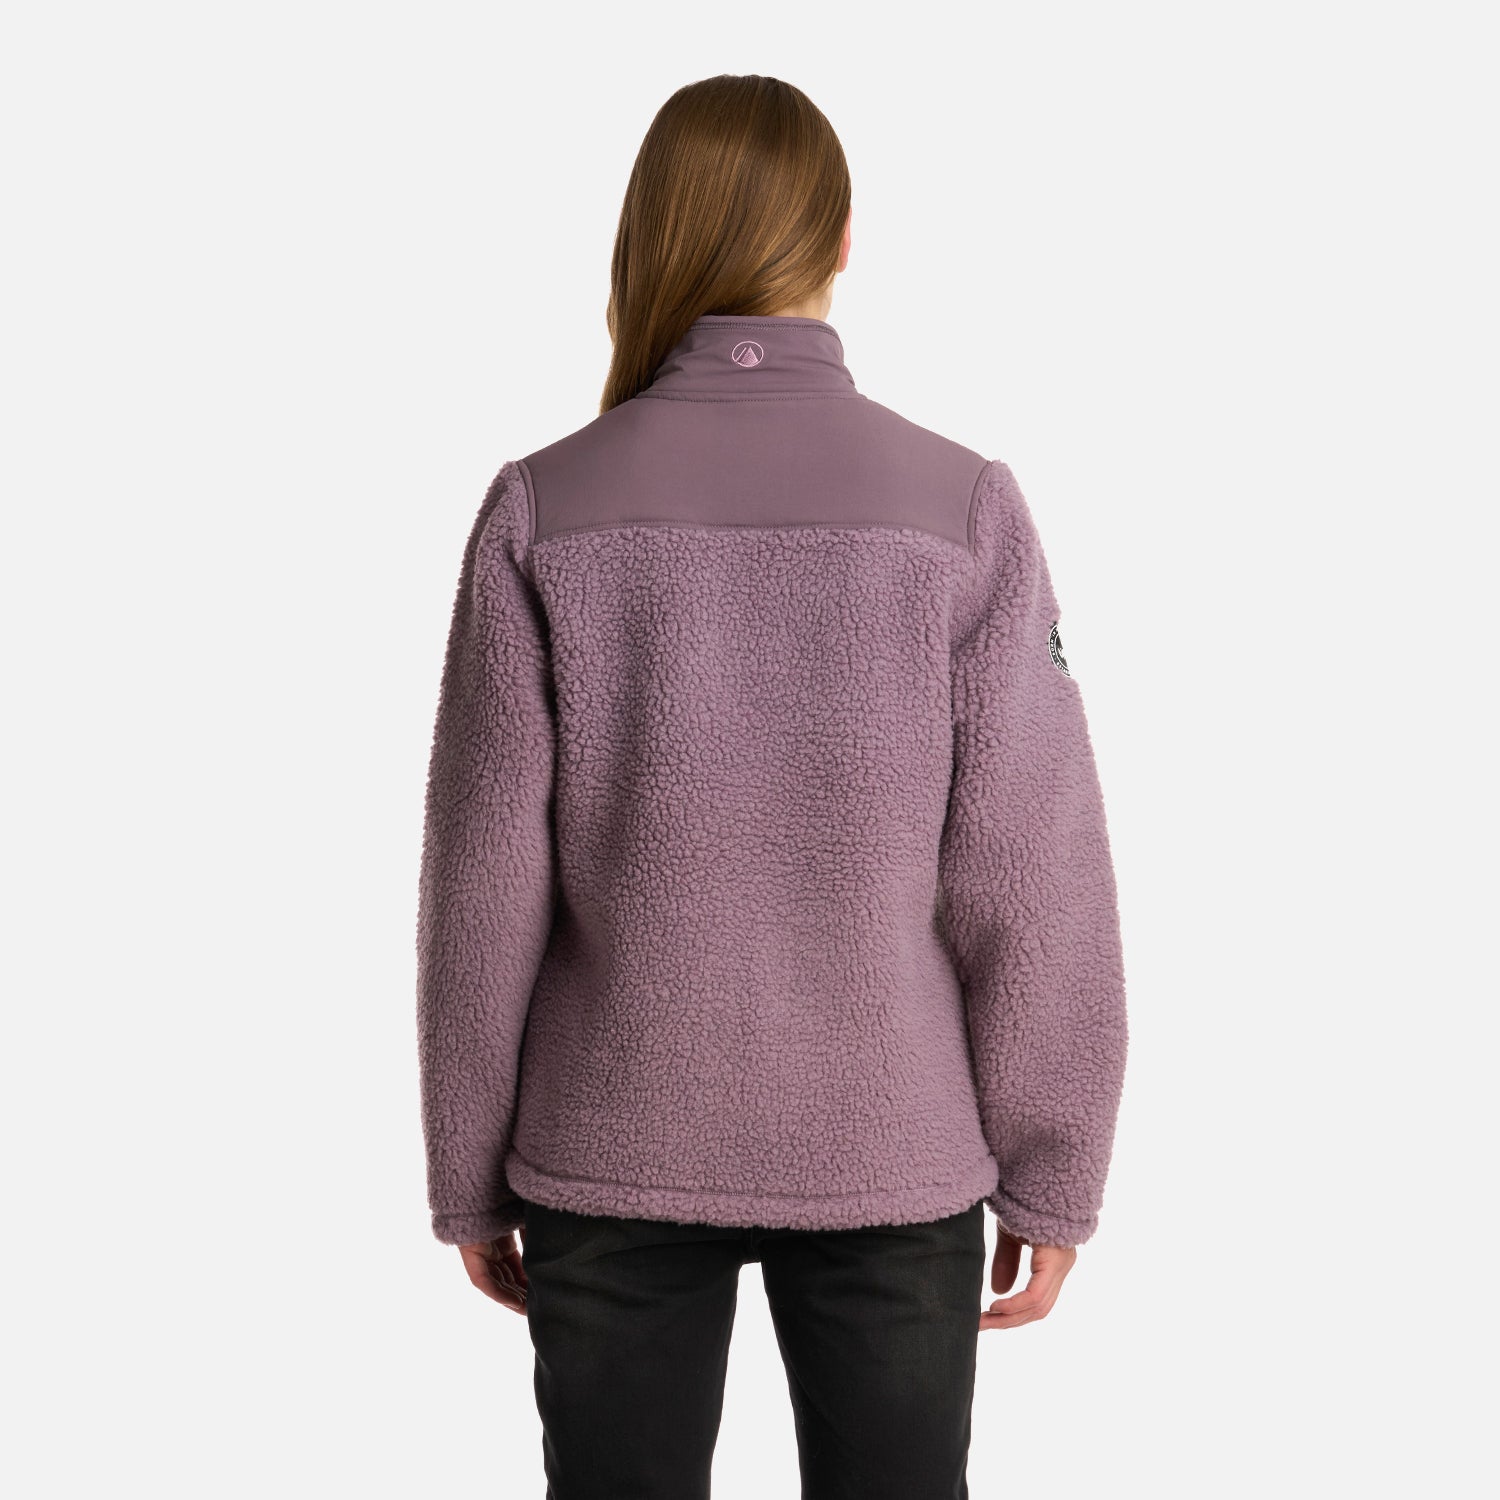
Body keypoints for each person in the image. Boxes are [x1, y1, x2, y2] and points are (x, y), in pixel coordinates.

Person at [415, 72, 1128, 1500]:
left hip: (608, 1141)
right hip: (890, 1145)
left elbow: (482, 882)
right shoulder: (962, 506)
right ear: (844, 237)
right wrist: (1057, 1161)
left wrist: (469, 1163)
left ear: (648, 237)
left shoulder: (542, 506)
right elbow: (1032, 869)